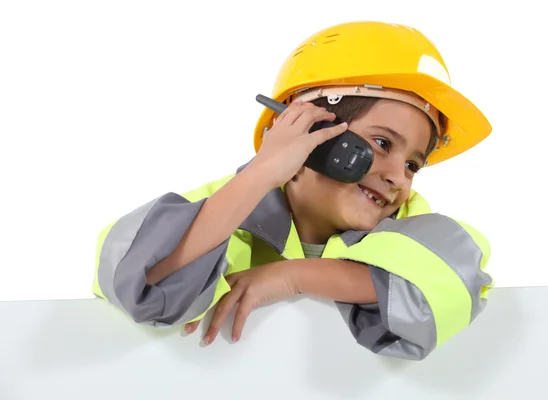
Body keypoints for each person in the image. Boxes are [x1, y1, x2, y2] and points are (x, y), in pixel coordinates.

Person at [91, 21, 494, 361]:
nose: (397, 177)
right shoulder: (224, 210)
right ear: (310, 130)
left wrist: (294, 276)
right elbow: (139, 281)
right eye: (382, 144)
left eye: (412, 165)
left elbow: (450, 285)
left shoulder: (410, 226)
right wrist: (264, 171)